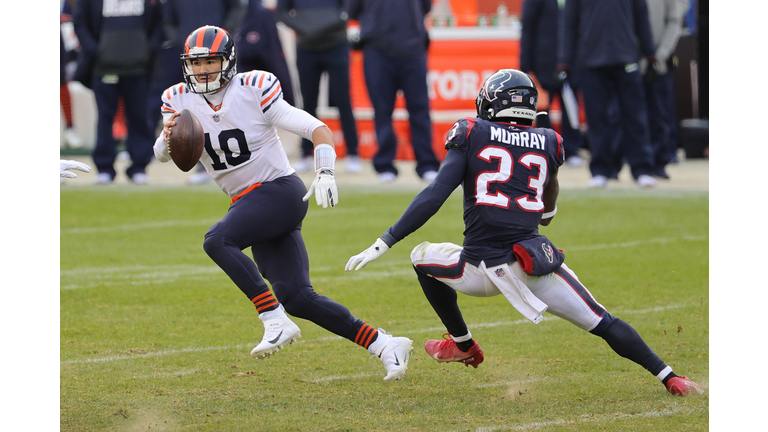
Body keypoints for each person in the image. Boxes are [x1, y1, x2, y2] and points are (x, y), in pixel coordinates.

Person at [345, 69, 704, 396]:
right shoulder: (550, 140)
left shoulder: (472, 131)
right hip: (534, 266)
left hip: (479, 271)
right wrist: (545, 209)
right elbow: (547, 208)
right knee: (603, 321)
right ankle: (671, 377)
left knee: (420, 257)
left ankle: (463, 344)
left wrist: (386, 239)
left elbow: (435, 194)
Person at [153, 25, 412, 380]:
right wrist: (165, 138)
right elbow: (166, 154)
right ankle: (385, 343)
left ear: (228, 61)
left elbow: (317, 129)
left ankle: (272, 318)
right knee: (298, 297)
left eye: (211, 61)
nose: (203, 70)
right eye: (196, 63)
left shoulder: (253, 89)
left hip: (279, 191)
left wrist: (324, 171)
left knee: (217, 240)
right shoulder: (178, 98)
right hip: (248, 204)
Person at [558, 0, 658, 188]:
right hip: (591, 62)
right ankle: (601, 170)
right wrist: (564, 60)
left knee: (635, 118)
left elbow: (642, 17)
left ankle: (642, 169)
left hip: (626, 58)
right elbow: (569, 22)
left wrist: (650, 52)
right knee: (597, 120)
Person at [153, 0, 248, 186]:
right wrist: (180, 38)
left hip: (218, 57)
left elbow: (238, 7)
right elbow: (167, 18)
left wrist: (222, 37)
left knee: (226, 107)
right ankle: (205, 164)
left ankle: (235, 159)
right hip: (192, 58)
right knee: (194, 109)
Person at [347, 0, 441, 183]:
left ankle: (427, 164)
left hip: (413, 50)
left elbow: (426, 7)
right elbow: (352, 10)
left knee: (420, 109)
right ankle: (384, 165)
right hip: (377, 50)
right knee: (382, 110)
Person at [72, 0, 163, 185]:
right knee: (105, 118)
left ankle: (139, 167)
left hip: (138, 67)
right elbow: (80, 21)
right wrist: (95, 50)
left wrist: (147, 49)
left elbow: (161, 21)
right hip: (104, 67)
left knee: (139, 117)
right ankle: (104, 168)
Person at [275, 0, 362, 174]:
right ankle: (306, 154)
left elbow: (349, 9)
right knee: (308, 102)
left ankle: (353, 154)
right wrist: (305, 28)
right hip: (306, 47)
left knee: (342, 99)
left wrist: (317, 28)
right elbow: (281, 12)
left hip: (336, 45)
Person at [519, 0, 585, 167]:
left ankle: (571, 150)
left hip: (571, 61)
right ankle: (545, 149)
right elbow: (527, 27)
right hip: (543, 62)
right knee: (542, 110)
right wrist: (526, 66)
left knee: (570, 109)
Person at [642, 0, 689, 179]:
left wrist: (660, 55)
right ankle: (636, 160)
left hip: (661, 61)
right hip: (632, 59)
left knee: (660, 113)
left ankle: (659, 160)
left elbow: (674, 21)